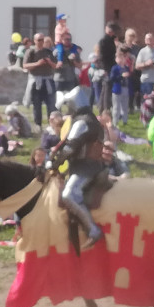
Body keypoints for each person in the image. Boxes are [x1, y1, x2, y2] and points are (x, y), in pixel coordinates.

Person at [50, 106, 110, 248]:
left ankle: (93, 231)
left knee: (69, 195)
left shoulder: (82, 122)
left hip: (86, 168)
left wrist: (54, 163)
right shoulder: (91, 121)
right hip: (84, 166)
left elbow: (70, 148)